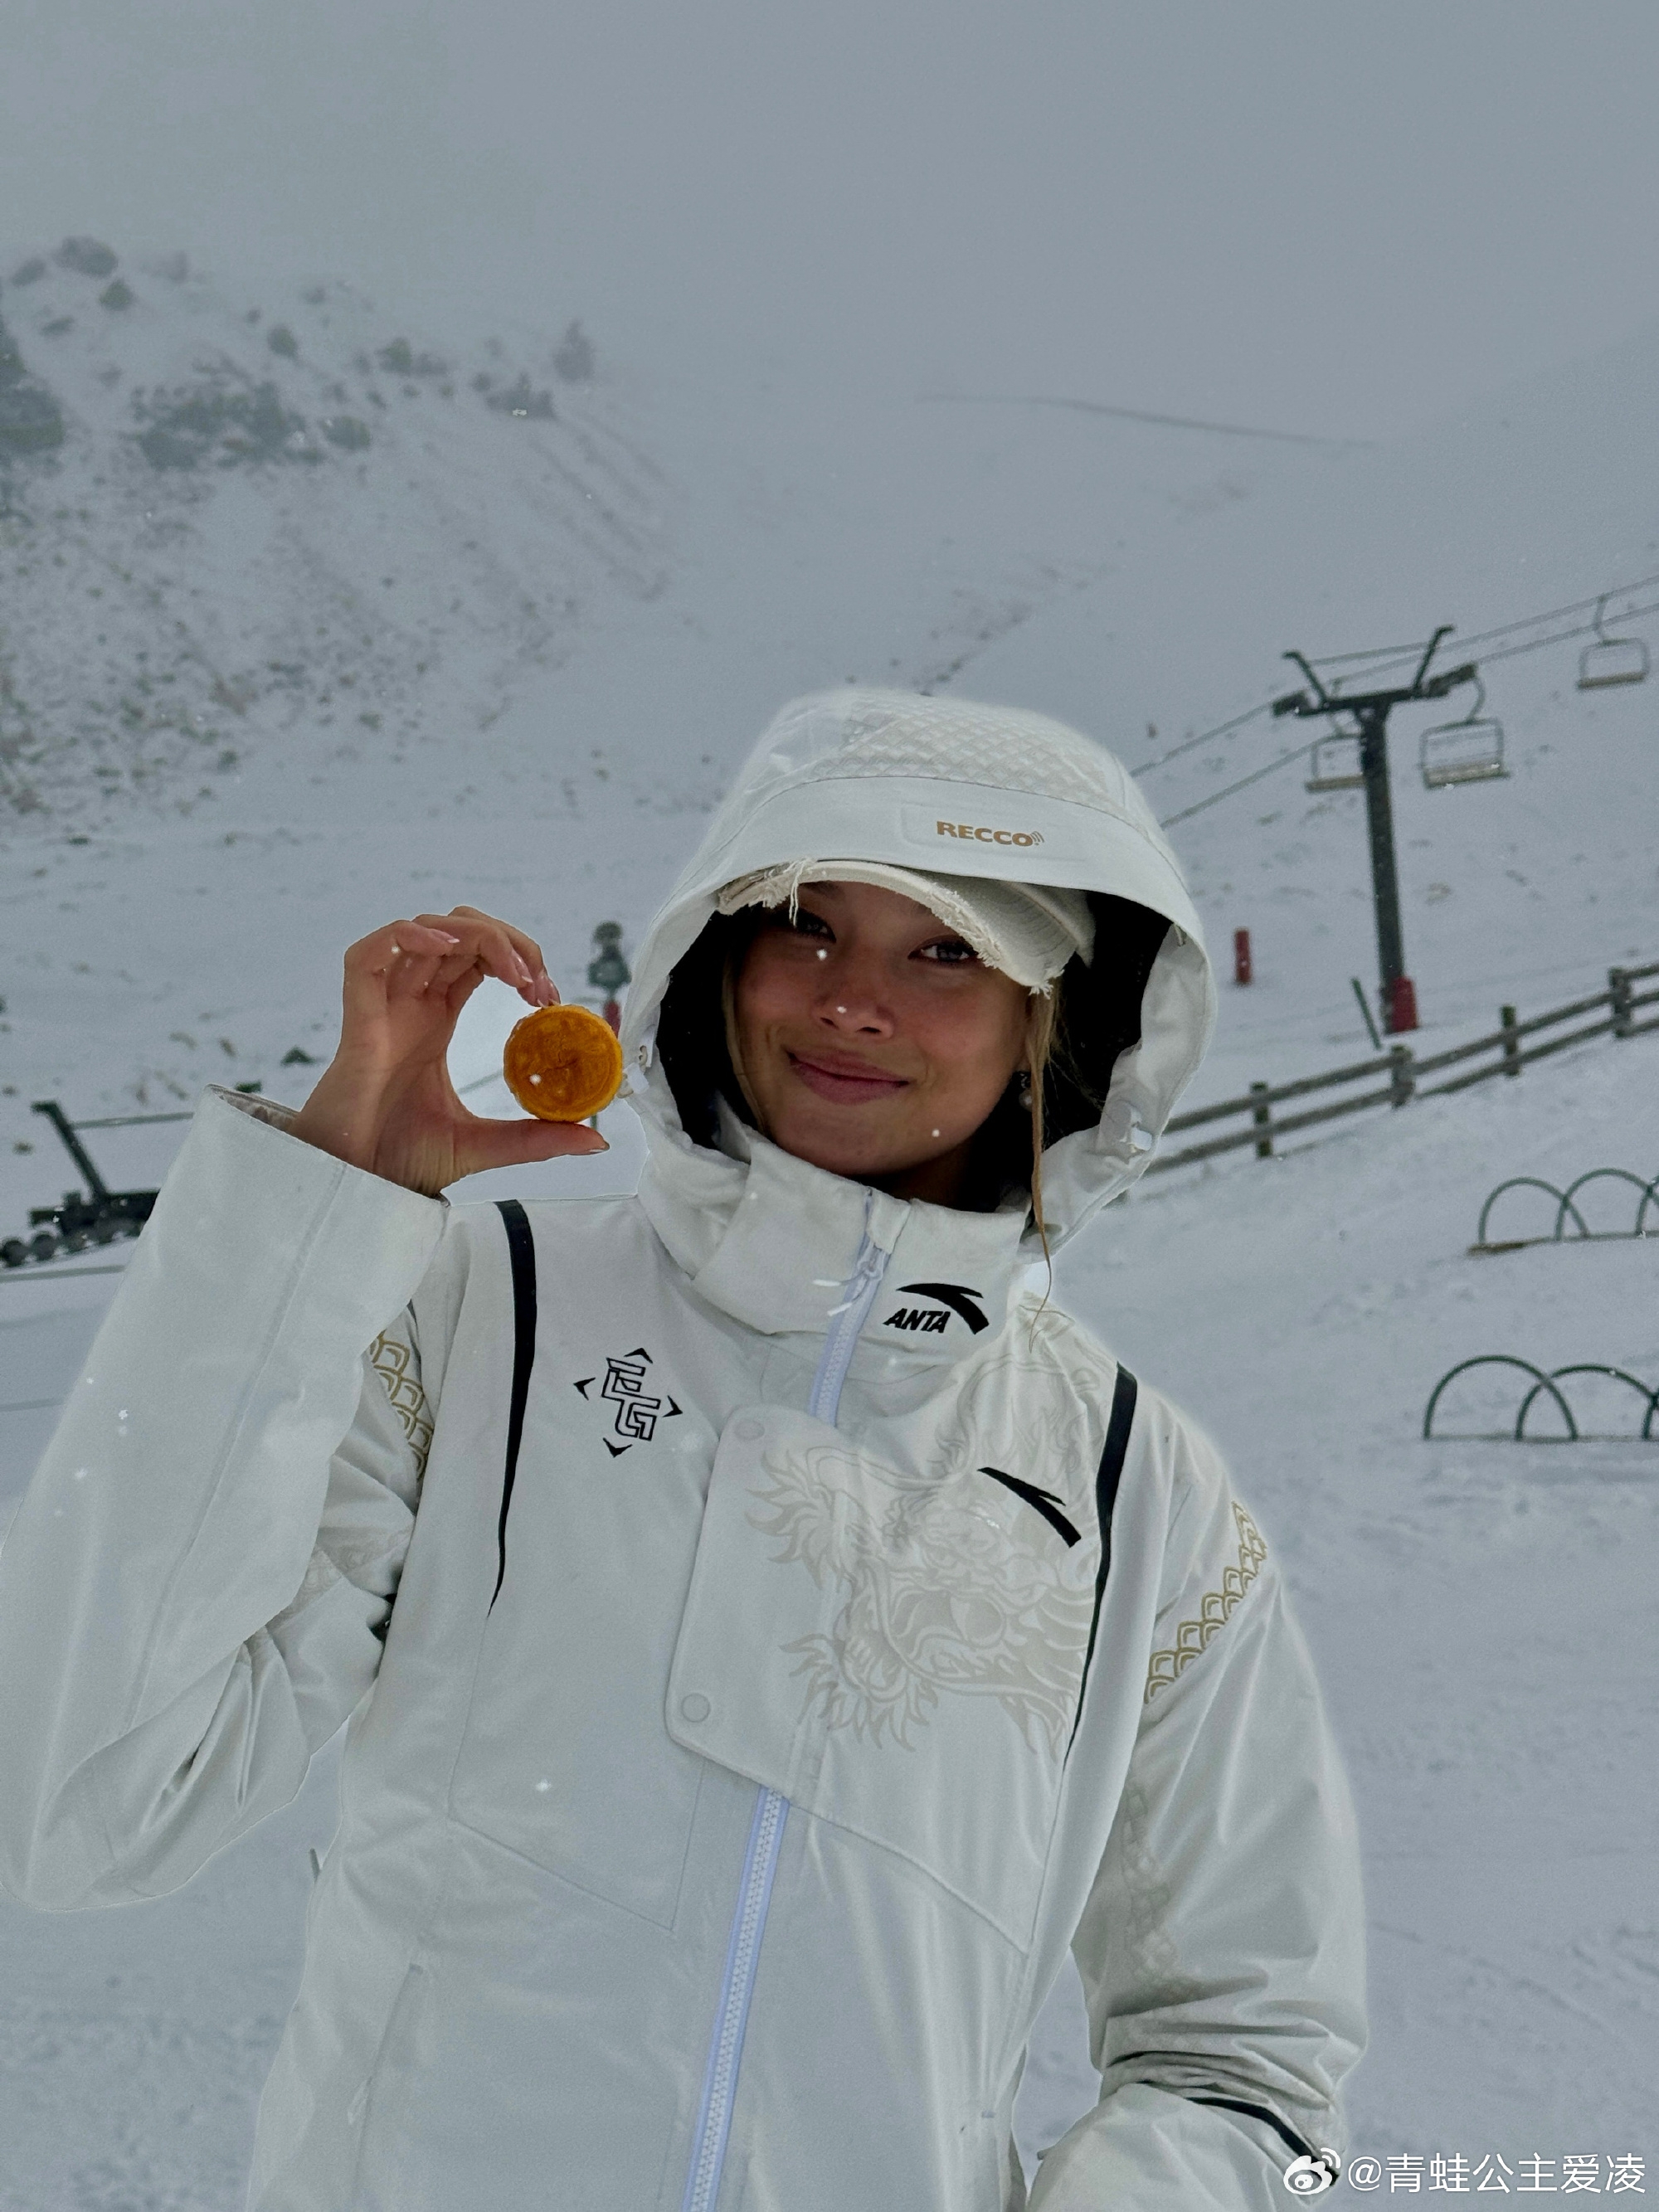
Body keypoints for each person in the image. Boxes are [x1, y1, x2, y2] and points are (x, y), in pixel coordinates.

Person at [0, 689, 1365, 2211]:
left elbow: (1245, 2052)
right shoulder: (481, 1314)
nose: (852, 1000)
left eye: (947, 950)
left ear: (1063, 1018)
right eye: (806, 928)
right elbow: (92, 1803)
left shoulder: (1137, 1489)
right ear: (716, 958)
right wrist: (307, 1232)